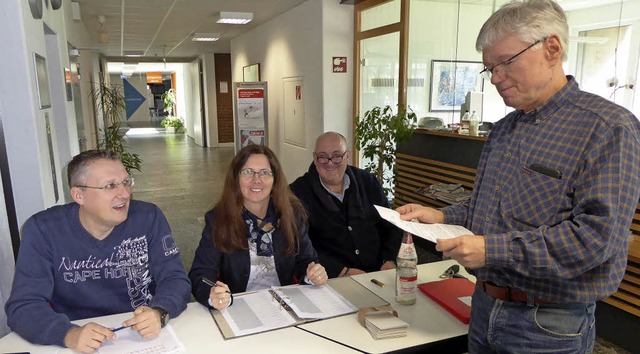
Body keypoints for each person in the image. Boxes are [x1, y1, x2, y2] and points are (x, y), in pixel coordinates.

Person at [397, 0, 640, 352]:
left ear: (552, 48)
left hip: (549, 323)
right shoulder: (504, 129)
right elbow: (490, 210)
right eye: (489, 68)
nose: (495, 78)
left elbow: (595, 239)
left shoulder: (608, 128)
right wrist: (442, 216)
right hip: (483, 303)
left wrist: (491, 250)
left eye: (505, 62)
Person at [4, 150, 191, 353]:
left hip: (144, 336)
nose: (125, 194)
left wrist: (160, 311)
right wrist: (68, 334)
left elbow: (175, 279)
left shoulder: (148, 217)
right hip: (79, 337)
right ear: (78, 195)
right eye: (110, 186)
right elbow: (23, 306)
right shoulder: (43, 229)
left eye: (126, 182)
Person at [189, 144, 327, 310]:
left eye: (264, 173)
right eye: (248, 172)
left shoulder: (292, 214)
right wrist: (212, 294)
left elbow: (307, 260)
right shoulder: (218, 219)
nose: (256, 179)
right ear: (236, 178)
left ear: (275, 179)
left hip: (287, 305)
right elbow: (200, 273)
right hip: (238, 307)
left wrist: (312, 274)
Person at [290, 132, 402, 278]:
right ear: (315, 159)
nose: (330, 163)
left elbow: (391, 225)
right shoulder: (297, 192)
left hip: (379, 271)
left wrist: (390, 260)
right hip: (330, 278)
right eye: (323, 156)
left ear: (347, 156)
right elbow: (298, 244)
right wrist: (342, 271)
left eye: (337, 156)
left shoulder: (368, 181)